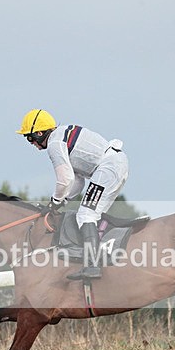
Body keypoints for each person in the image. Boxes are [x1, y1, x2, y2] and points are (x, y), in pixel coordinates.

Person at [16, 109, 129, 280]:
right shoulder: (60, 137)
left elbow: (64, 179)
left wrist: (55, 201)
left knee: (86, 214)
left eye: (29, 137)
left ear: (39, 133)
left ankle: (93, 265)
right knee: (90, 214)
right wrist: (63, 201)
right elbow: (77, 181)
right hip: (112, 165)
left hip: (108, 168)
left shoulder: (54, 145)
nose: (30, 142)